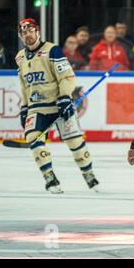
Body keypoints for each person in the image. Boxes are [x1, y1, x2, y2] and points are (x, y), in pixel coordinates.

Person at [15, 18, 99, 193]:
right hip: (36, 108)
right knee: (33, 138)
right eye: (23, 33)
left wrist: (64, 98)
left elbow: (67, 77)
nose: (27, 35)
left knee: (74, 141)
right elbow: (24, 84)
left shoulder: (52, 51)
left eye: (30, 31)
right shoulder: (20, 57)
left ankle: (88, 174)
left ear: (37, 31)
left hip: (57, 104)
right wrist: (24, 107)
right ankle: (49, 177)